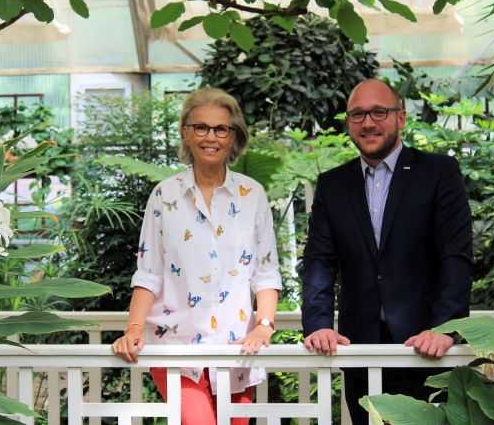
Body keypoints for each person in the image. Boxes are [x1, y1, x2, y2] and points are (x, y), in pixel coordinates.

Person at [301, 78, 472, 425]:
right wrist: (318, 325)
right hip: (359, 349)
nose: (368, 122)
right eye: (358, 114)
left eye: (379, 112)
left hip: (426, 348)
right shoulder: (333, 184)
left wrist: (445, 328)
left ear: (401, 118)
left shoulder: (438, 173)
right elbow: (319, 260)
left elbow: (456, 255)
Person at [112, 87, 282, 425]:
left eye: (221, 129)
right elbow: (148, 271)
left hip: (237, 350)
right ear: (186, 133)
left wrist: (263, 326)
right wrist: (132, 328)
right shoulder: (164, 195)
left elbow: (265, 271)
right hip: (174, 345)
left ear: (234, 136)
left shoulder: (252, 195)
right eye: (201, 127)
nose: (211, 137)